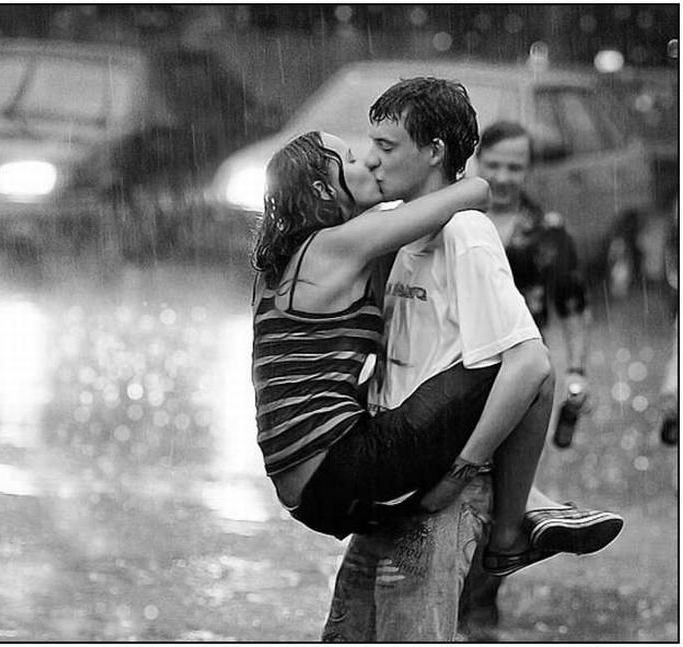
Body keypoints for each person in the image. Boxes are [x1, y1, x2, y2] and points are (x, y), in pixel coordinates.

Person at [322, 78, 623, 642]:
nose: (372, 159)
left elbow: (531, 365)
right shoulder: (403, 227)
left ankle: (517, 519)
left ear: (435, 151)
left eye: (386, 146)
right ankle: (526, 514)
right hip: (395, 478)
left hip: (440, 489)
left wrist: (460, 471)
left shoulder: (467, 232)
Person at [251, 128, 568, 565]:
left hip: (304, 489)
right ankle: (510, 534)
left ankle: (525, 494)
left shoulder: (284, 261)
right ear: (324, 189)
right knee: (525, 364)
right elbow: (475, 191)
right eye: (352, 160)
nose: (369, 161)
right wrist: (418, 176)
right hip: (338, 470)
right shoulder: (337, 245)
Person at [458, 120, 594, 634]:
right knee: (456, 483)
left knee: (505, 492)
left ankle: (481, 604)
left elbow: (573, 307)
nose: (503, 176)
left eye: (514, 167)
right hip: (455, 372)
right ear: (476, 162)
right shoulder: (455, 217)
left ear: (529, 169)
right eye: (493, 164)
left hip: (520, 380)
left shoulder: (549, 232)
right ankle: (453, 597)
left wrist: (577, 371)